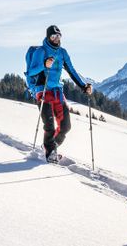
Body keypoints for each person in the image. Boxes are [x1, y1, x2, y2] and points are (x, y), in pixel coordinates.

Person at [26, 25, 92, 163]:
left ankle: (50, 147)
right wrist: (44, 64)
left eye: (58, 36)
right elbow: (31, 72)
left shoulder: (62, 52)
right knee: (49, 125)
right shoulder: (40, 52)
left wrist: (83, 86)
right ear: (48, 37)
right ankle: (50, 153)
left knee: (65, 127)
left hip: (57, 92)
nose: (56, 39)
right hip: (42, 91)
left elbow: (72, 71)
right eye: (53, 36)